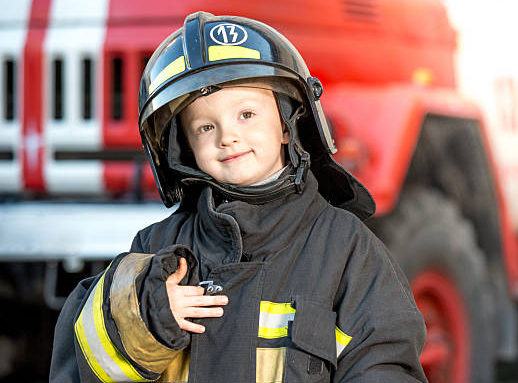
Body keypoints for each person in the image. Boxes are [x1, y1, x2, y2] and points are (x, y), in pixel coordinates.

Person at [50, 11, 428, 383]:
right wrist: (145, 317)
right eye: (205, 127)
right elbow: (83, 358)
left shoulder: (346, 249)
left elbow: (383, 360)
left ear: (286, 125)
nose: (226, 136)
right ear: (186, 149)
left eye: (246, 114)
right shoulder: (158, 248)